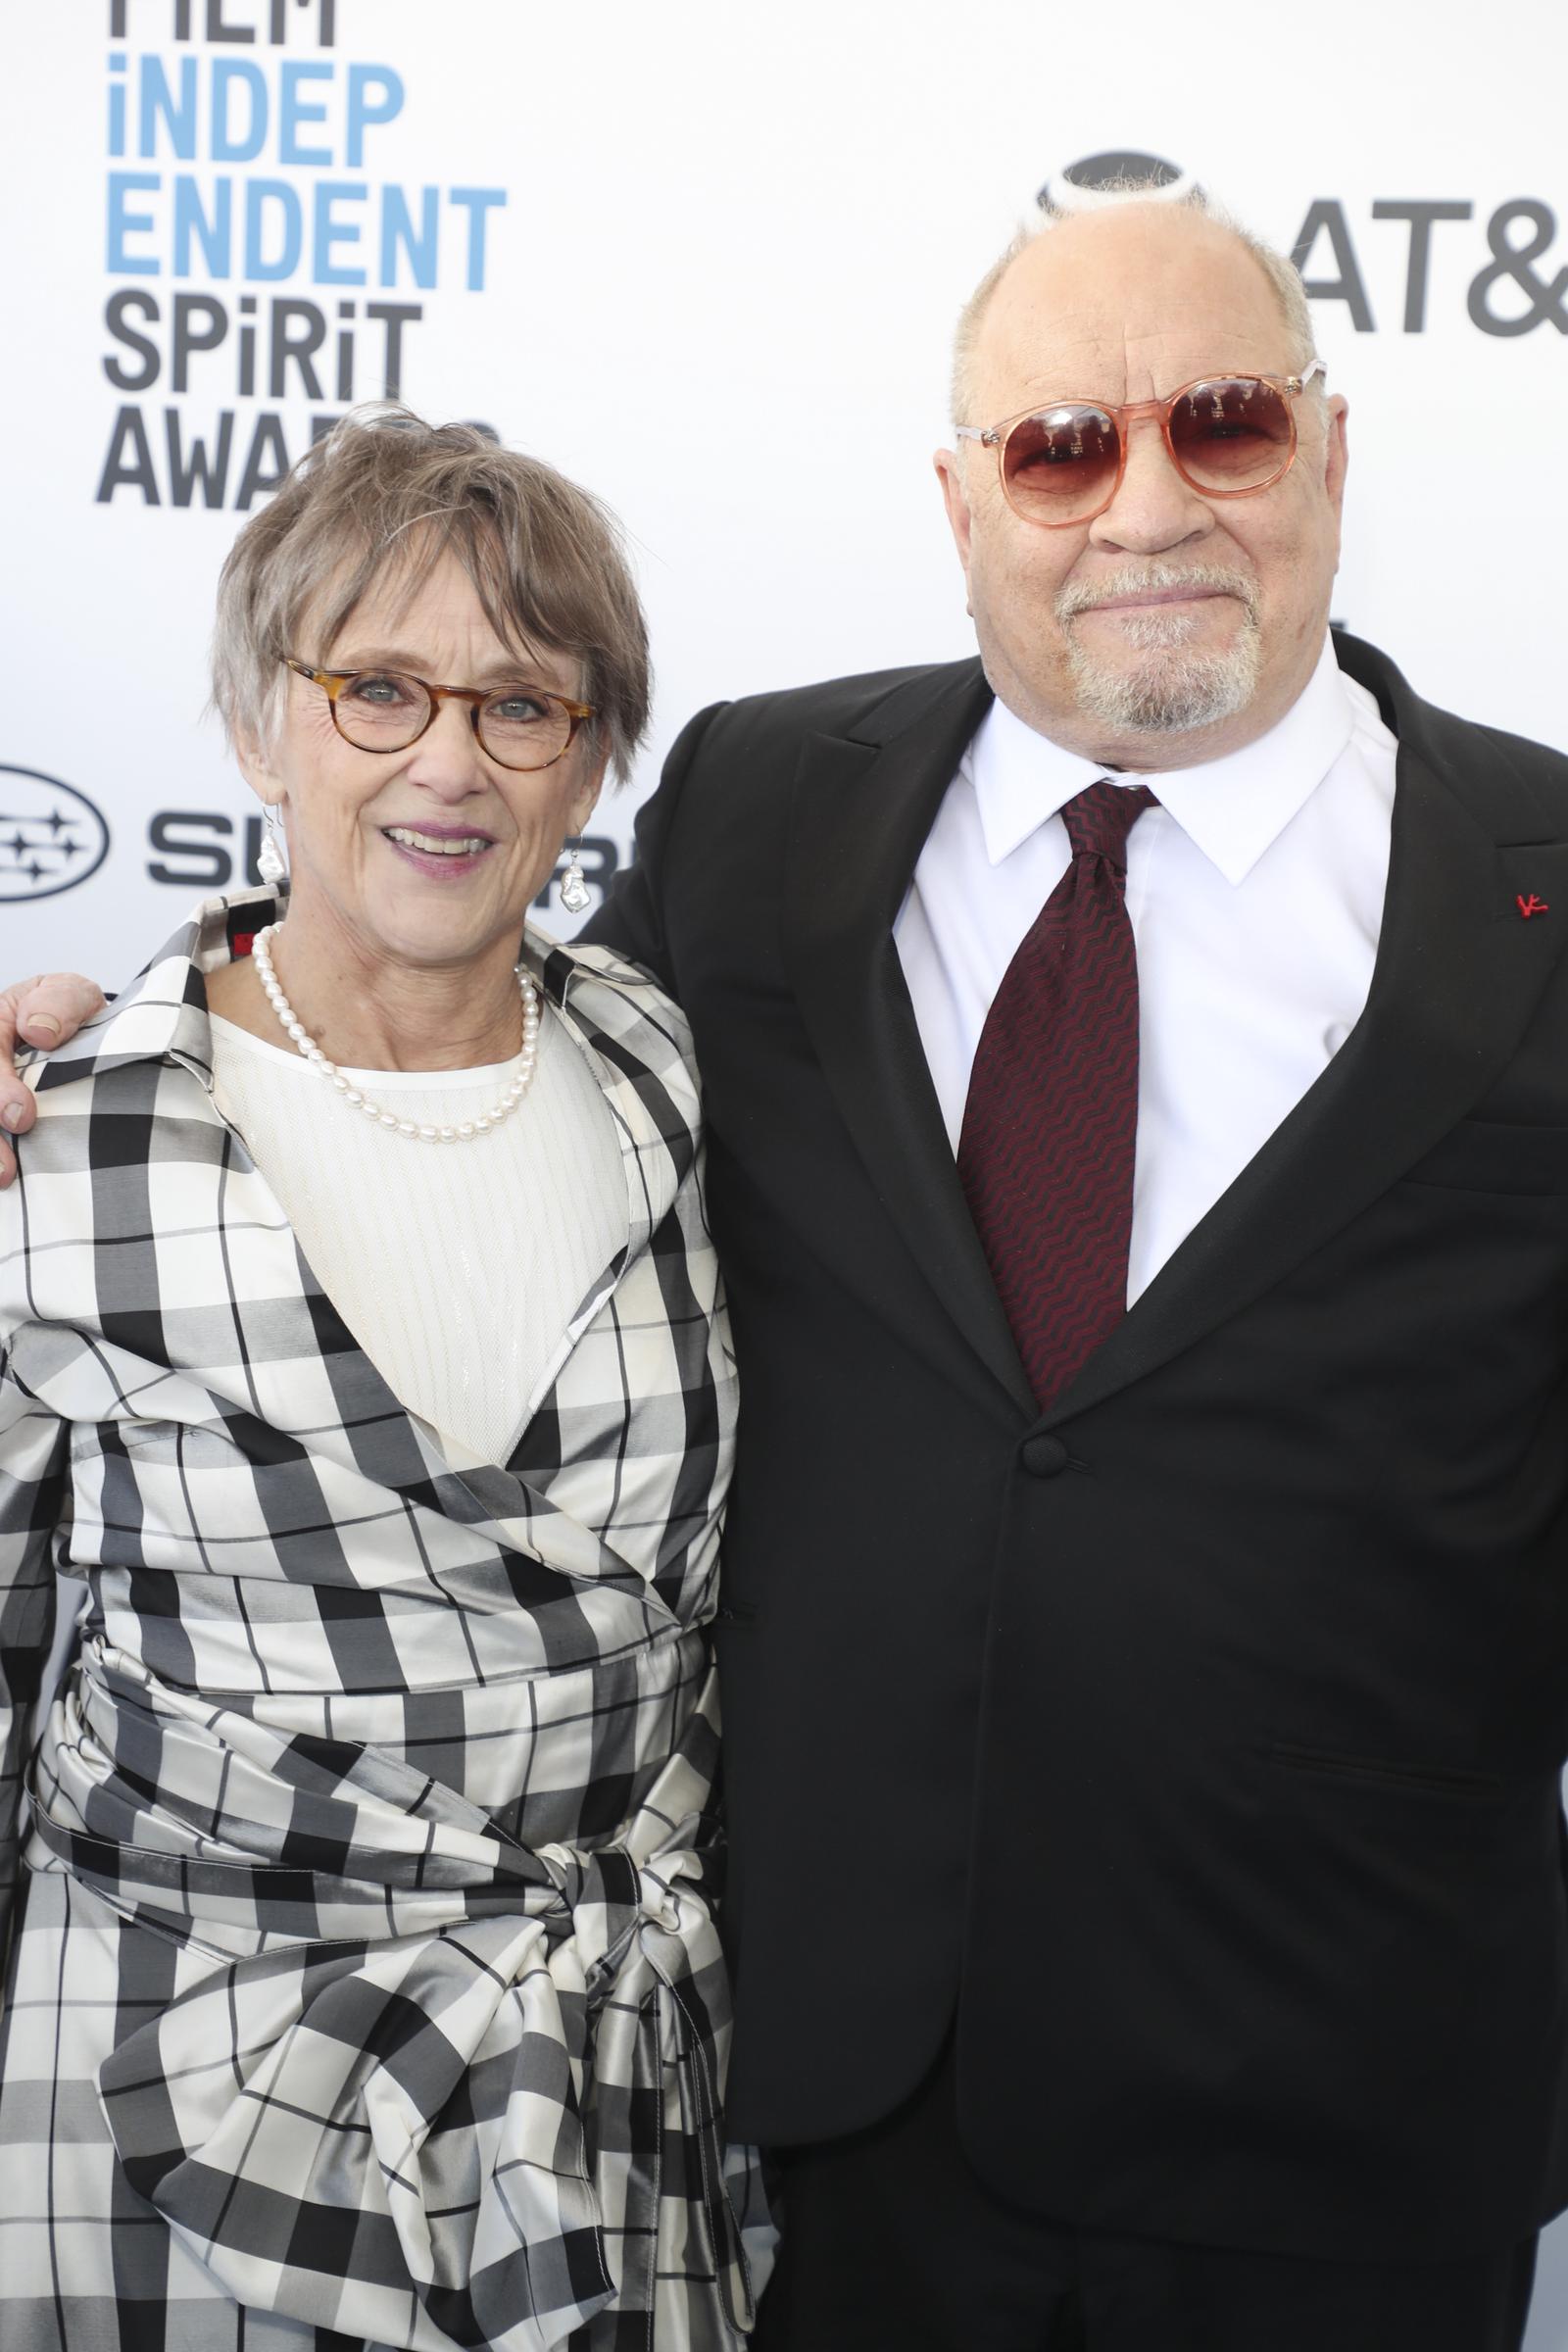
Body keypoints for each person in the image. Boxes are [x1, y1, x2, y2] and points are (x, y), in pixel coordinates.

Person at [7, 188, 1568, 2352]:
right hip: (821, 2128)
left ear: (1323, 454)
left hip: (1340, 2126)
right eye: (1055, 447)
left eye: (1215, 427)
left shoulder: (1542, 887)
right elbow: (459, 1067)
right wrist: (98, 1059)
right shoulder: (759, 816)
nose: (1140, 508)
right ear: (957, 502)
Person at [0, 410, 771, 2351]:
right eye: (377, 690)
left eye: (521, 704)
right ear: (261, 723)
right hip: (162, 2095)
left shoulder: (673, 1084)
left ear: (589, 758)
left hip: (591, 2100)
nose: (448, 762)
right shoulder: (71, 1137)